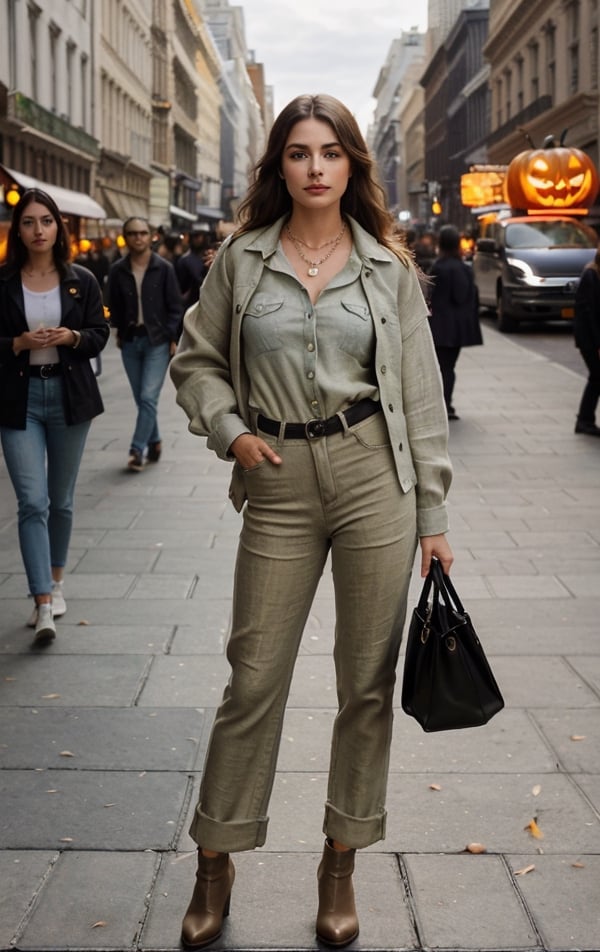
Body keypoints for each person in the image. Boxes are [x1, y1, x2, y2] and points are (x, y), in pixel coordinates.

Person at [170, 93, 453, 950]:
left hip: (376, 477)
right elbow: (197, 362)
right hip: (280, 479)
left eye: (331, 152)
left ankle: (341, 864)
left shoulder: (388, 269)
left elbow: (422, 395)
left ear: (353, 165)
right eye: (299, 153)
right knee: (252, 678)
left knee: (364, 686)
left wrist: (433, 513)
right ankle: (214, 863)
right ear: (280, 167)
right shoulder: (243, 261)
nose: (317, 167)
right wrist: (234, 433)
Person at [0, 188, 108, 644]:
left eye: (45, 221)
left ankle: (57, 582)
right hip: (18, 400)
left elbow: (101, 334)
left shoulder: (80, 278)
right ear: (17, 229)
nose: (38, 230)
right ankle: (41, 601)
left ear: (57, 228)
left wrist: (71, 337)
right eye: (28, 222)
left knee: (60, 500)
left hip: (69, 397)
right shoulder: (3, 283)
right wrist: (17, 345)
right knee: (32, 501)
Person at [106, 216, 183, 471]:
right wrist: (118, 328)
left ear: (151, 236)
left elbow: (175, 307)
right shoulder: (118, 269)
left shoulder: (164, 268)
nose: (138, 237)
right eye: (132, 233)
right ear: (126, 238)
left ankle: (137, 450)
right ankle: (155, 440)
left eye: (142, 232)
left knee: (148, 396)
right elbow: (113, 303)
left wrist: (172, 336)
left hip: (157, 341)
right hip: (130, 341)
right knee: (142, 399)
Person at [427, 224, 483, 420]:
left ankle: (442, 404)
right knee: (449, 367)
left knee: (441, 367)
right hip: (458, 328)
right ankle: (447, 404)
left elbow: (429, 297)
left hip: (440, 327)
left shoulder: (438, 267)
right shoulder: (464, 268)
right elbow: (469, 297)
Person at [573, 247, 600, 436]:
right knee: (597, 377)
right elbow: (591, 314)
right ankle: (584, 420)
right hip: (590, 340)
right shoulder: (591, 276)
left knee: (597, 378)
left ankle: (585, 419)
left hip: (591, 338)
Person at [175, 223, 212, 306]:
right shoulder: (185, 261)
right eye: (195, 236)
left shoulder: (213, 257)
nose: (198, 239)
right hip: (192, 305)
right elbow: (181, 288)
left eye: (201, 236)